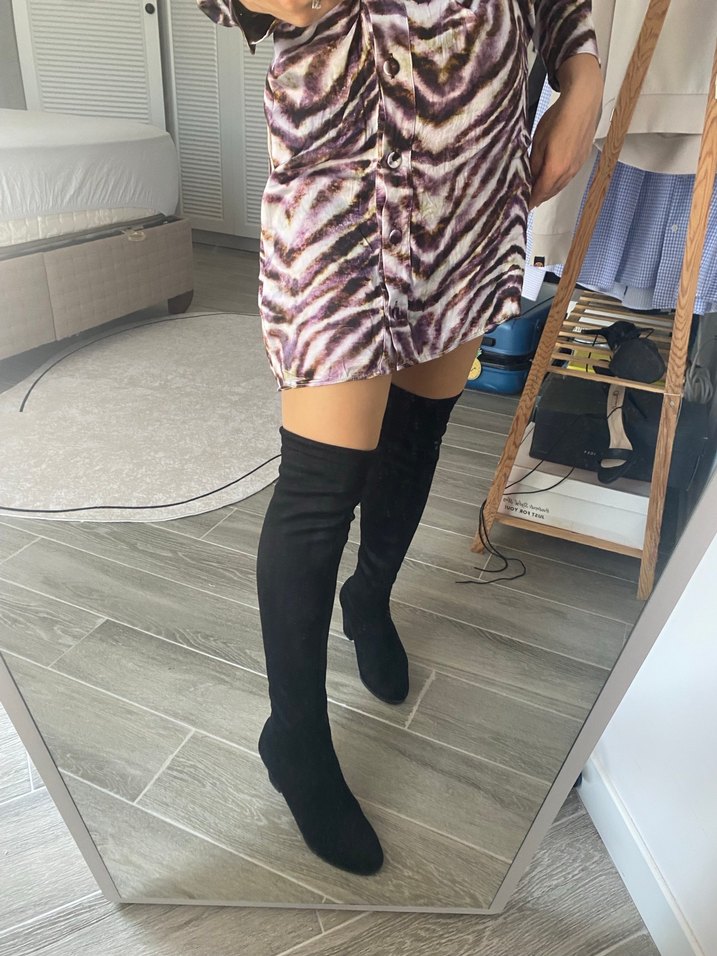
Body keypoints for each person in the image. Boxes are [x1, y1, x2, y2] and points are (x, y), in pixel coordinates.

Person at [197, 0, 604, 876]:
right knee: (319, 486)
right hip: (342, 183)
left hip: (477, 185)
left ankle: (369, 598)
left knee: (419, 432)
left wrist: (584, 80)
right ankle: (294, 737)